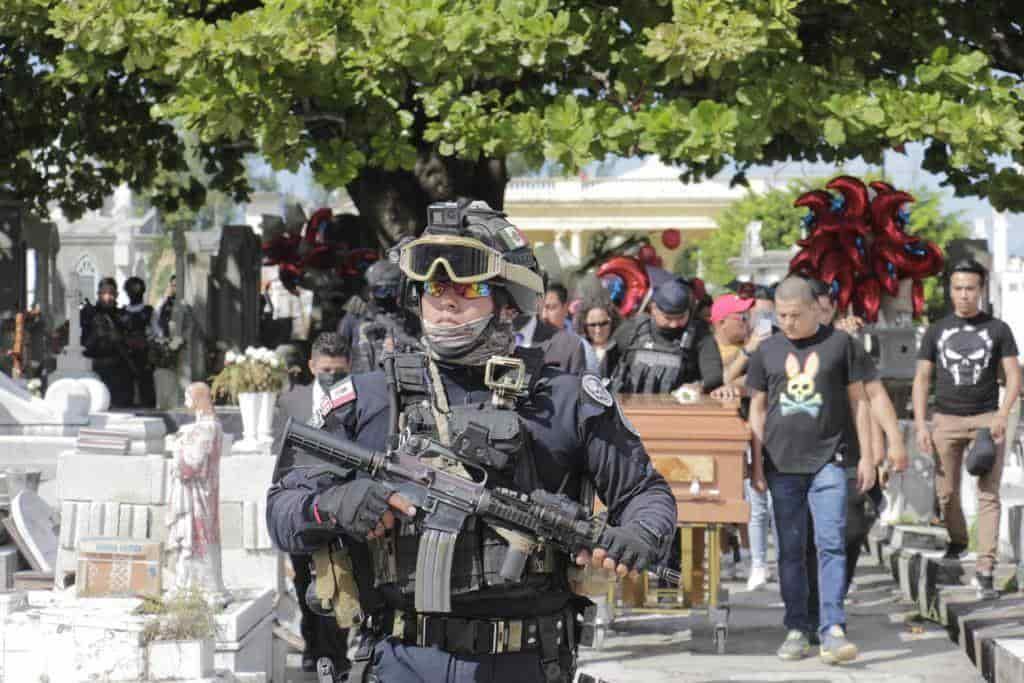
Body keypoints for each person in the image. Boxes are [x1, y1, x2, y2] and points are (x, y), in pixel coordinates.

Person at [267, 199, 677, 683]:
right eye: (434, 286)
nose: (446, 300)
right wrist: (338, 504)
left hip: (526, 659)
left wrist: (639, 536)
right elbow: (283, 511)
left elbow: (646, 493)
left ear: (506, 300)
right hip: (398, 658)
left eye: (468, 286)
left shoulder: (565, 399)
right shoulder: (366, 399)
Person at [747, 276, 876, 664]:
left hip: (830, 461)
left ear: (814, 309)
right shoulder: (766, 351)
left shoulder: (840, 346)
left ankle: (832, 627)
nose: (787, 322)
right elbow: (757, 409)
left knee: (831, 542)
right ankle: (796, 627)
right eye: (781, 315)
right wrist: (755, 463)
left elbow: (861, 403)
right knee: (789, 550)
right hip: (780, 465)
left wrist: (868, 455)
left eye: (795, 315)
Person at [913, 259, 1020, 598]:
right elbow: (922, 378)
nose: (963, 295)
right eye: (957, 288)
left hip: (987, 418)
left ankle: (985, 566)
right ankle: (958, 539)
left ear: (981, 290)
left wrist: (1004, 413)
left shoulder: (998, 330)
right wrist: (920, 424)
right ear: (950, 290)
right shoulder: (936, 330)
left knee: (988, 493)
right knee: (946, 493)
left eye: (970, 288)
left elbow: (1015, 375)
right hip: (945, 419)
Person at [271, 332, 351, 673]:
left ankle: (335, 656)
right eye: (325, 369)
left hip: (341, 505)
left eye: (338, 369)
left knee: (340, 583)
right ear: (312, 366)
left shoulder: (355, 400)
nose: (331, 375)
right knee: (305, 583)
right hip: (300, 507)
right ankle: (313, 648)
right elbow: (280, 455)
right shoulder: (292, 401)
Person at [610, 278, 709, 394]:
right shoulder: (631, 330)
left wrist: (700, 386)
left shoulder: (700, 335)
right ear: (654, 309)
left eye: (681, 317)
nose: (674, 325)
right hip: (628, 408)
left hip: (677, 409)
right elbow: (606, 367)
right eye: (668, 318)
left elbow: (713, 376)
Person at [339, 260, 422, 374]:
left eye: (392, 290)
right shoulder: (356, 315)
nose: (387, 295)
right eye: (381, 291)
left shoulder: (409, 317)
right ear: (370, 291)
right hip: (362, 380)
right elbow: (339, 349)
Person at [81, 277, 133, 408]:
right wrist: (97, 333)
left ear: (116, 295)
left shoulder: (122, 316)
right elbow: (82, 344)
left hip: (118, 372)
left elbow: (129, 343)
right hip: (94, 368)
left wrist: (118, 337)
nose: (108, 297)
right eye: (104, 293)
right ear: (98, 294)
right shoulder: (87, 314)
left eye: (111, 293)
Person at [122, 276, 155, 408]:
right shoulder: (122, 312)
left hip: (144, 353)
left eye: (137, 289)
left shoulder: (149, 311)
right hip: (126, 354)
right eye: (131, 290)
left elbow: (155, 331)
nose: (134, 293)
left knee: (145, 382)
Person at [574, 300, 621, 380]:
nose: (598, 330)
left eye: (603, 324)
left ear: (612, 322)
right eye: (592, 325)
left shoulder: (622, 350)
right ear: (584, 325)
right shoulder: (577, 351)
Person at [152, 275, 177, 339]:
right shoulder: (164, 302)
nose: (175, 288)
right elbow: (159, 321)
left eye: (176, 286)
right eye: (173, 286)